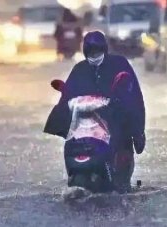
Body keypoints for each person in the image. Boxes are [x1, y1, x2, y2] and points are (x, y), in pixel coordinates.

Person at [44, 31, 146, 193]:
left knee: (123, 164)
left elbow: (134, 97)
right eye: (91, 52)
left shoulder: (119, 64)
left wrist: (138, 131)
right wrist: (59, 120)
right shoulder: (80, 69)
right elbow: (68, 94)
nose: (94, 55)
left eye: (97, 51)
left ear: (105, 49)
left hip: (115, 125)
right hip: (86, 128)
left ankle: (122, 185)